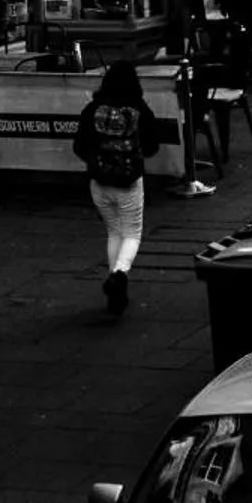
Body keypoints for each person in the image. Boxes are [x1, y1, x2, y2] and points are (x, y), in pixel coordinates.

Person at [73, 61, 159, 314]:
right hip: (130, 181)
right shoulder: (139, 108)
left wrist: (97, 160)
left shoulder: (93, 109)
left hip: (99, 181)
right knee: (132, 233)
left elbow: (79, 146)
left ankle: (115, 287)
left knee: (114, 231)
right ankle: (119, 275)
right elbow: (153, 146)